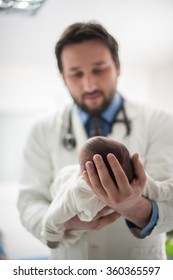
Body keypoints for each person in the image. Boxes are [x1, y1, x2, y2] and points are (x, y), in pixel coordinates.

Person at [17, 21, 173, 260]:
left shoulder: (160, 122)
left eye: (99, 69)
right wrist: (64, 222)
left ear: (118, 68)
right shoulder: (42, 130)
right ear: (63, 78)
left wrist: (134, 207)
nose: (89, 84)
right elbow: (30, 202)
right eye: (76, 74)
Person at [42, 136, 173, 251]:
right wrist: (64, 229)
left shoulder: (133, 179)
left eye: (81, 164)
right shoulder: (78, 191)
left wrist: (52, 237)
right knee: (60, 185)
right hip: (63, 181)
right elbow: (162, 191)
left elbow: (53, 217)